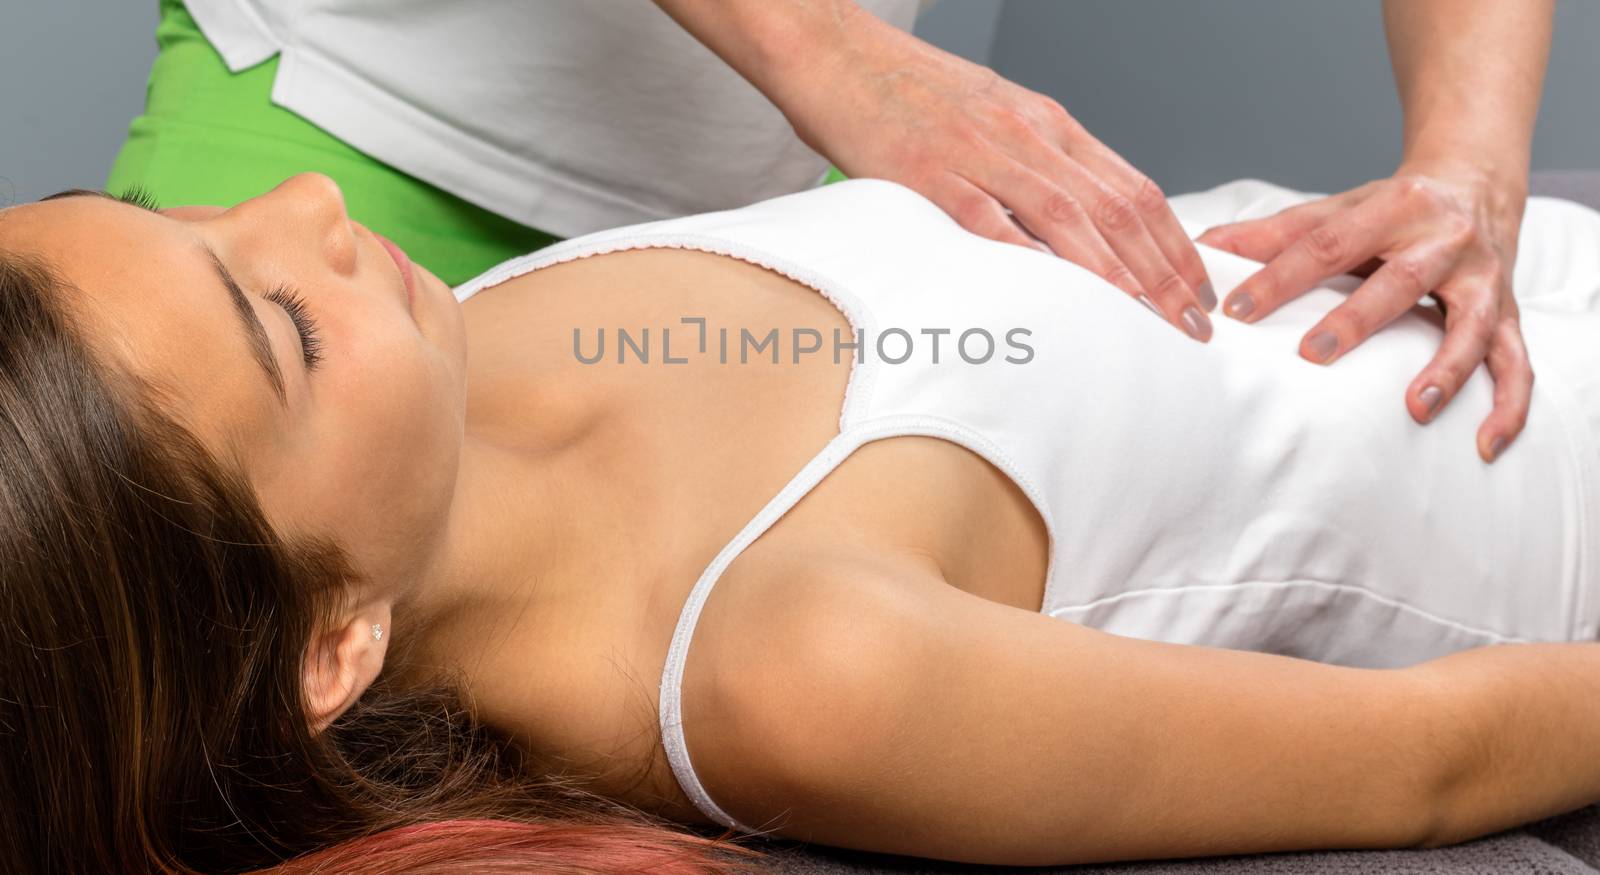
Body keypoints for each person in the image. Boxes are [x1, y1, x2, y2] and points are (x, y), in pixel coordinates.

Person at [4, 168, 1600, 871]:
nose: (311, 209)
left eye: (182, 216)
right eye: (279, 324)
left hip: (1482, 278)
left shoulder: (453, 355)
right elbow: (1431, 761)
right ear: (326, 645)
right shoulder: (794, 672)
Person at [107, 0, 1554, 468]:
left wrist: (1471, 172)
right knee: (166, 734)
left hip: (748, 220)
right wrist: (840, 58)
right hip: (348, 121)